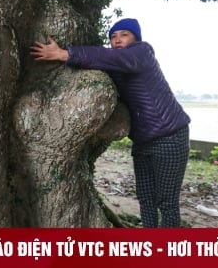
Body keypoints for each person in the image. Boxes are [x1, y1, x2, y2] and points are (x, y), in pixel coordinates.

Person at [29, 18, 191, 227]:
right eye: (113, 36)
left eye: (124, 34)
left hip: (170, 136)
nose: (117, 40)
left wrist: (63, 53)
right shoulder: (116, 66)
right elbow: (103, 61)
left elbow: (108, 57)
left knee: (166, 202)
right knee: (146, 198)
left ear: (136, 38)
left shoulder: (141, 53)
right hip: (143, 140)